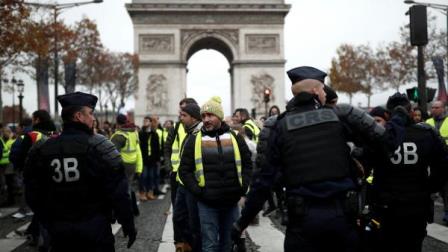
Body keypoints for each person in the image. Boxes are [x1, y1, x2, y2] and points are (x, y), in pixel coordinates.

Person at [232, 66, 394, 252]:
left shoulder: (277, 126)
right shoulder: (340, 115)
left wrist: (241, 223)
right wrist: (358, 162)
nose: (325, 92)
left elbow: (262, 182)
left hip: (302, 223)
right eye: (324, 88)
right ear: (316, 91)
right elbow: (385, 141)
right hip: (341, 219)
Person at [24, 92, 136, 251]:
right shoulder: (101, 146)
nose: (94, 118)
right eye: (90, 113)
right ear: (78, 116)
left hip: (58, 229)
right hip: (95, 227)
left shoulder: (42, 148)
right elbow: (119, 191)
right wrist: (128, 224)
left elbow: (31, 190)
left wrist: (46, 220)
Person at [370, 93, 448, 251]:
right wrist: (430, 188)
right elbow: (443, 166)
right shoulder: (426, 134)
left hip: (387, 205)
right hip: (417, 205)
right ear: (411, 112)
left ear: (388, 114)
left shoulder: (381, 137)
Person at [179, 96, 252, 252]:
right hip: (207, 203)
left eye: (210, 115)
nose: (206, 119)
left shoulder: (235, 137)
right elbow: (184, 170)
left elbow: (247, 164)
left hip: (231, 202)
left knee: (227, 244)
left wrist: (242, 187)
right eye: (203, 116)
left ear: (219, 116)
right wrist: (199, 192)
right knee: (209, 245)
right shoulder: (194, 140)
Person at [163, 98, 198, 249]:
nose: (180, 115)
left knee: (190, 212)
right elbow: (167, 147)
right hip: (176, 174)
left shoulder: (197, 130)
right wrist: (169, 166)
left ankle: (189, 242)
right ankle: (179, 242)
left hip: (190, 176)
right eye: (180, 112)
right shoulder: (176, 127)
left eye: (184, 112)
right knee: (178, 212)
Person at [173, 102, 203, 252]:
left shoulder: (200, 135)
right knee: (178, 218)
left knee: (194, 223)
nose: (181, 119)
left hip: (192, 185)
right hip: (182, 183)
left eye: (184, 116)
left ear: (194, 118)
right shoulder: (189, 132)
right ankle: (186, 244)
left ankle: (193, 247)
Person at [111, 114, 143, 216]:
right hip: (132, 163)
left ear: (117, 123)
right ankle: (134, 210)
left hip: (122, 165)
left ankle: (126, 212)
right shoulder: (133, 132)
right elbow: (138, 151)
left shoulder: (118, 136)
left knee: (123, 190)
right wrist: (139, 166)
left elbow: (112, 155)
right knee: (129, 187)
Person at [425, 100, 448, 224]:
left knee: (446, 190)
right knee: (430, 191)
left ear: (443, 109)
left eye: (437, 107)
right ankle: (429, 213)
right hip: (431, 162)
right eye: (432, 107)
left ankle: (446, 213)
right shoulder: (427, 122)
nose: (434, 109)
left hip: (446, 161)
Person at [138, 116, 159, 201]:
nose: (145, 122)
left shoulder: (154, 134)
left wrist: (157, 159)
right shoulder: (141, 133)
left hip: (152, 160)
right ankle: (142, 193)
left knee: (151, 176)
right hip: (144, 159)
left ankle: (150, 193)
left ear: (150, 122)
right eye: (144, 121)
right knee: (144, 177)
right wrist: (145, 130)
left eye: (147, 121)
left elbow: (157, 147)